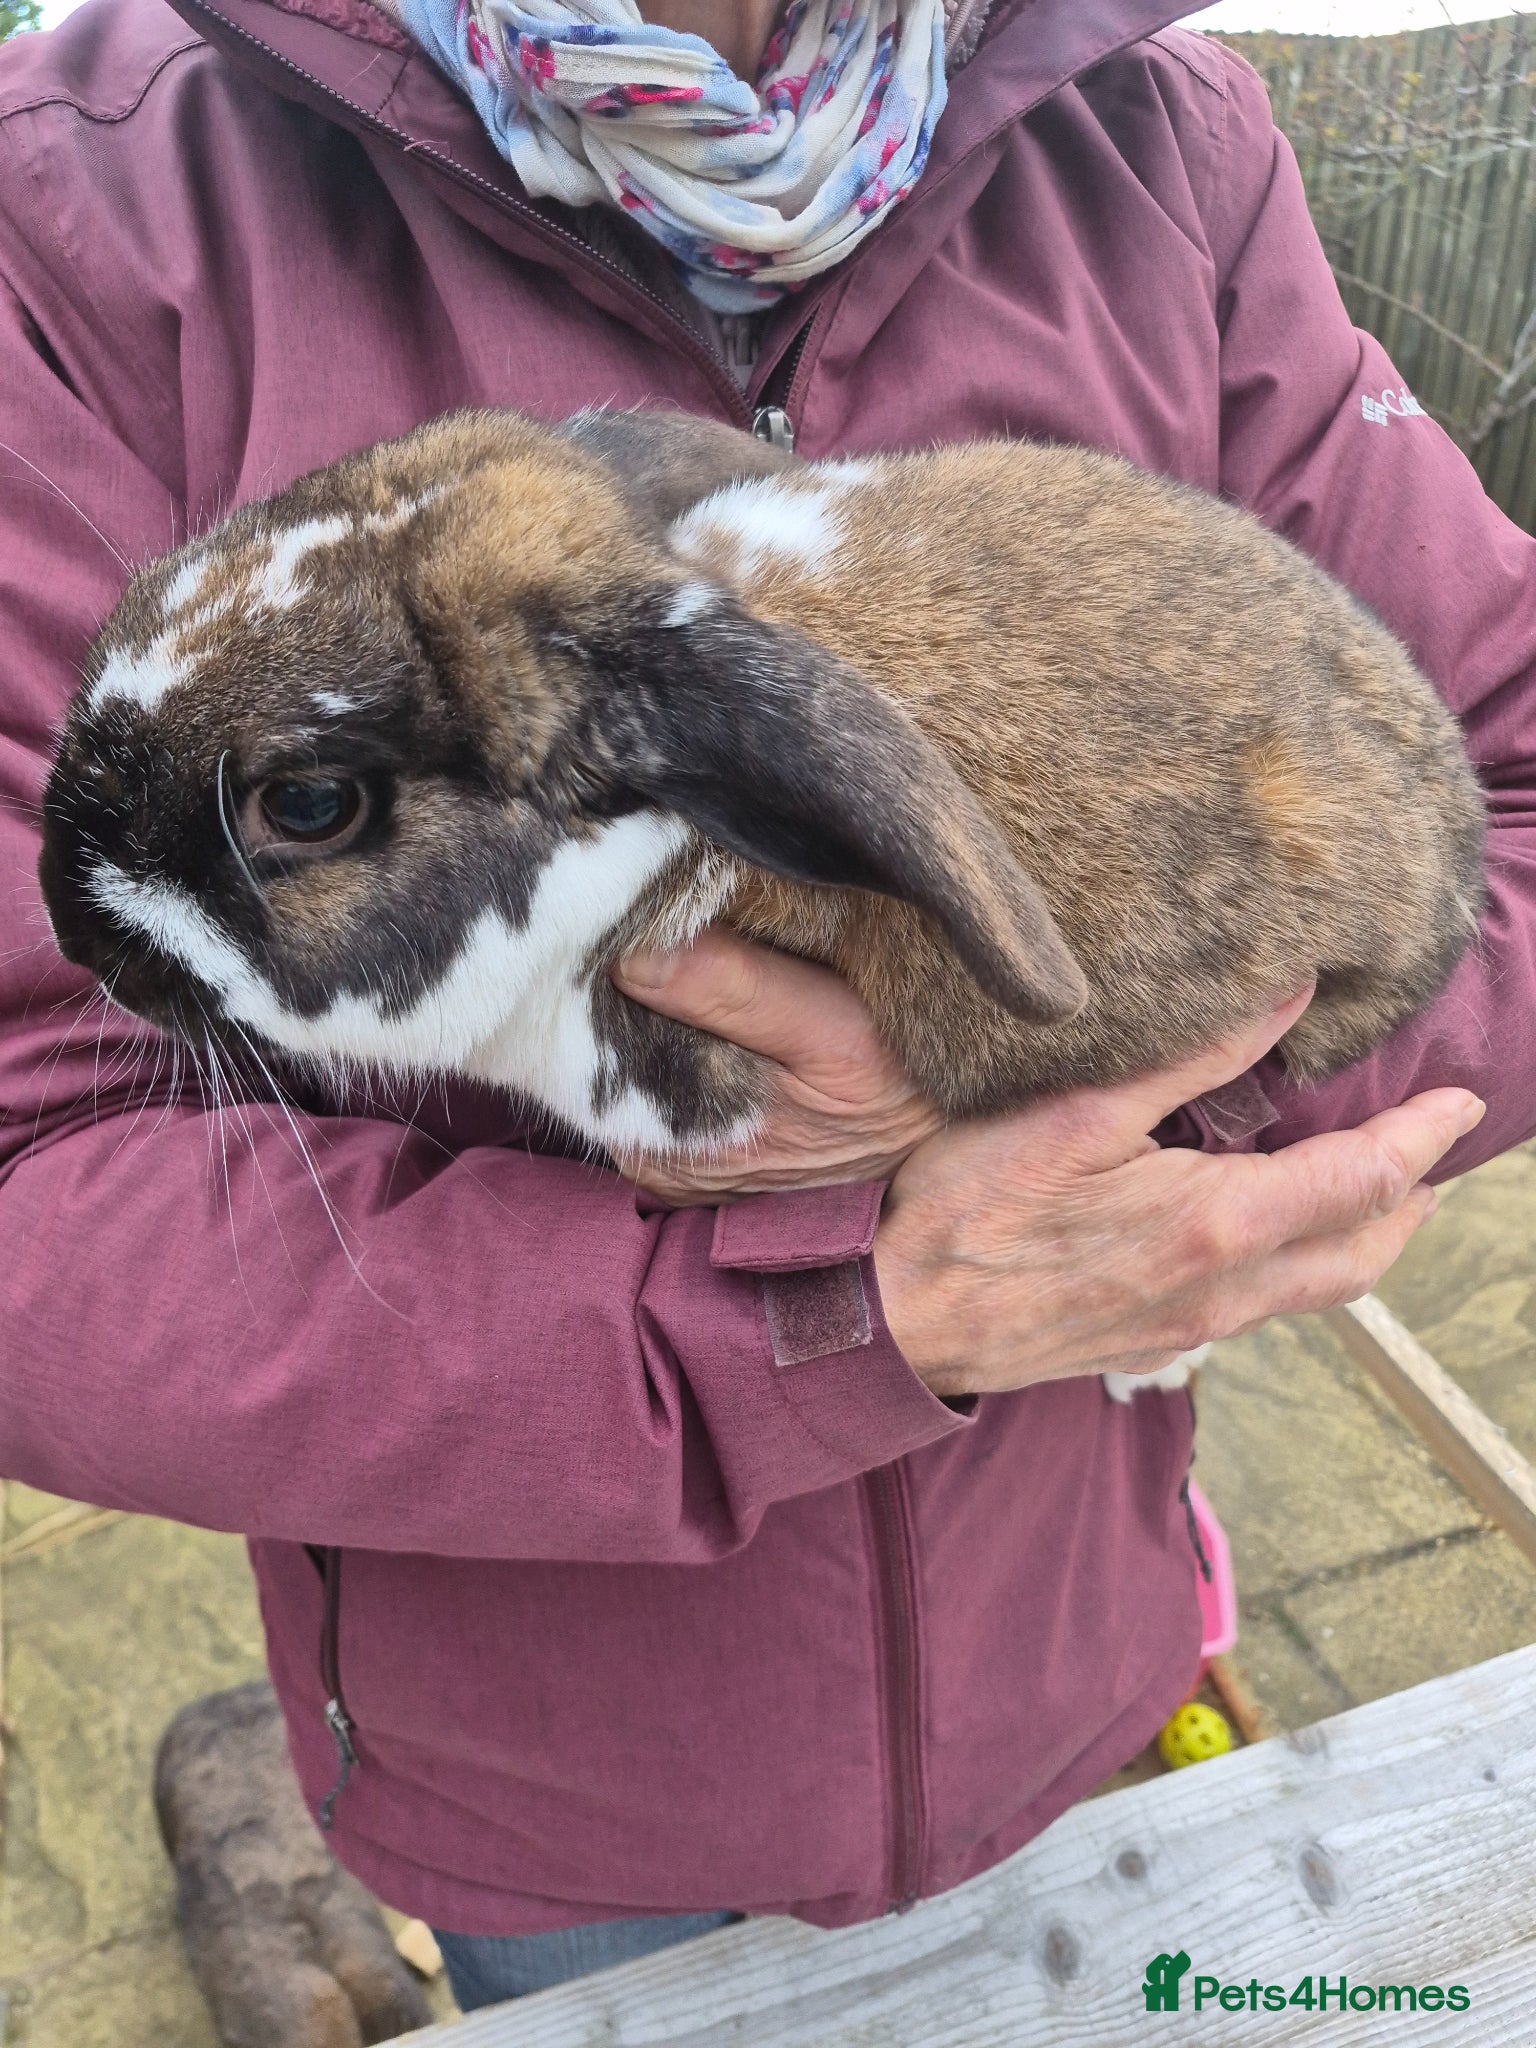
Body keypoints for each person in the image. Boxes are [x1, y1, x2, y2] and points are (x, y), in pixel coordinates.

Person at [0, 0, 1529, 2015]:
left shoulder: (1155, 136)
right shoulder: (84, 207)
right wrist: (822, 1310)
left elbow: (1492, 793)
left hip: (1075, 1632)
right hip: (564, 1769)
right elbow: (39, 1169)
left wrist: (1088, 1153)